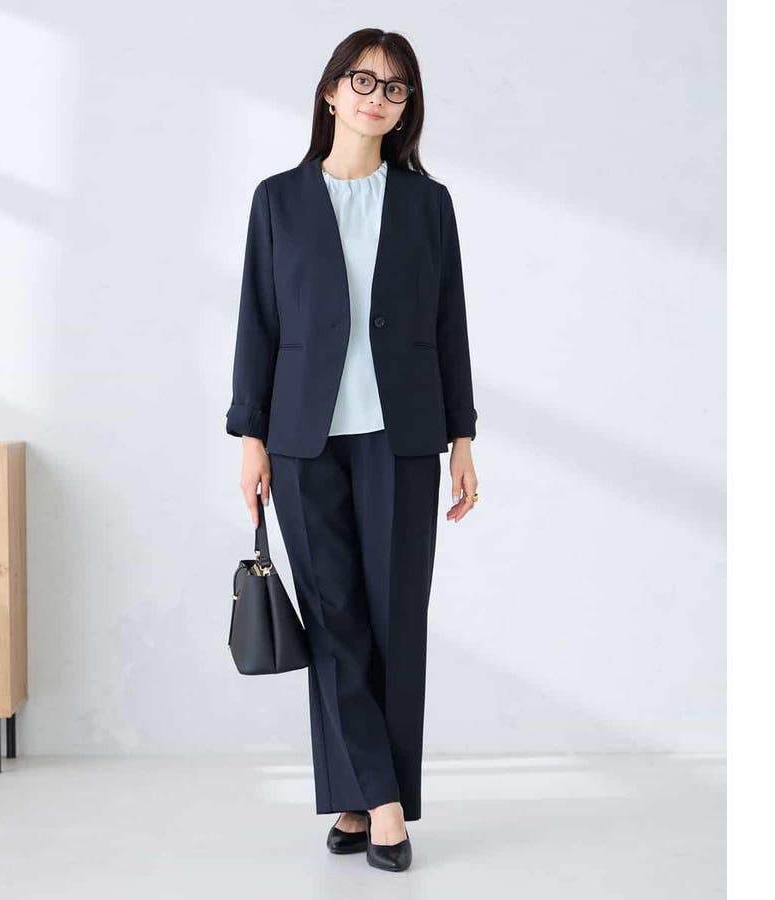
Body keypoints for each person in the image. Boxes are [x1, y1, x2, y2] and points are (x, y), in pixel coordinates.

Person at [225, 28, 479, 872]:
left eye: (395, 87)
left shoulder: (426, 204)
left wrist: (463, 435)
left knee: (394, 622)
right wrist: (251, 437)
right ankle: (383, 803)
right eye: (362, 80)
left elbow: (449, 324)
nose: (377, 96)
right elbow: (258, 323)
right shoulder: (278, 200)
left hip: (404, 439)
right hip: (303, 441)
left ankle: (357, 797)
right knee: (334, 621)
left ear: (407, 109)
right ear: (331, 91)